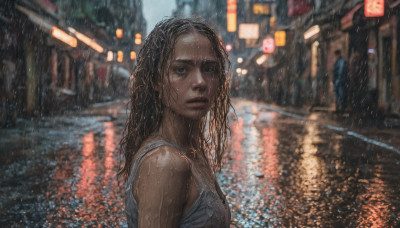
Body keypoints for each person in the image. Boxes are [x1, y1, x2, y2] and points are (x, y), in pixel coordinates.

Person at [118, 17, 232, 227]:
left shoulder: (191, 148)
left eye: (209, 69)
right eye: (181, 69)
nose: (200, 82)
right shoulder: (166, 163)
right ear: (156, 81)